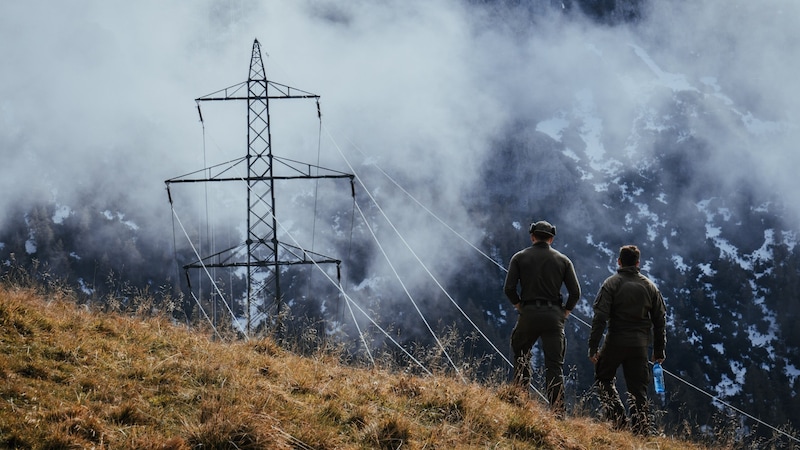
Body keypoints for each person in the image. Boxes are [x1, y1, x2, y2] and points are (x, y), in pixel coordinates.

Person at [503, 220, 581, 416]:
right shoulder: (563, 260)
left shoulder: (519, 258)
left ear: (532, 236)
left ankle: (520, 403)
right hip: (554, 316)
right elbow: (575, 292)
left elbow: (509, 288)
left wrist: (520, 305)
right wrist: (565, 312)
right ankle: (557, 412)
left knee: (521, 357)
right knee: (554, 366)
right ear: (551, 238)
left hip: (528, 313)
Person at [588, 245, 666, 435]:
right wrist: (659, 351)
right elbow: (660, 321)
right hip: (640, 346)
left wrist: (593, 347)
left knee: (603, 379)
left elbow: (600, 318)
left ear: (619, 261)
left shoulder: (611, 284)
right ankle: (641, 432)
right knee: (638, 390)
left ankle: (618, 420)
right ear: (638, 263)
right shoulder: (650, 287)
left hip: (614, 342)